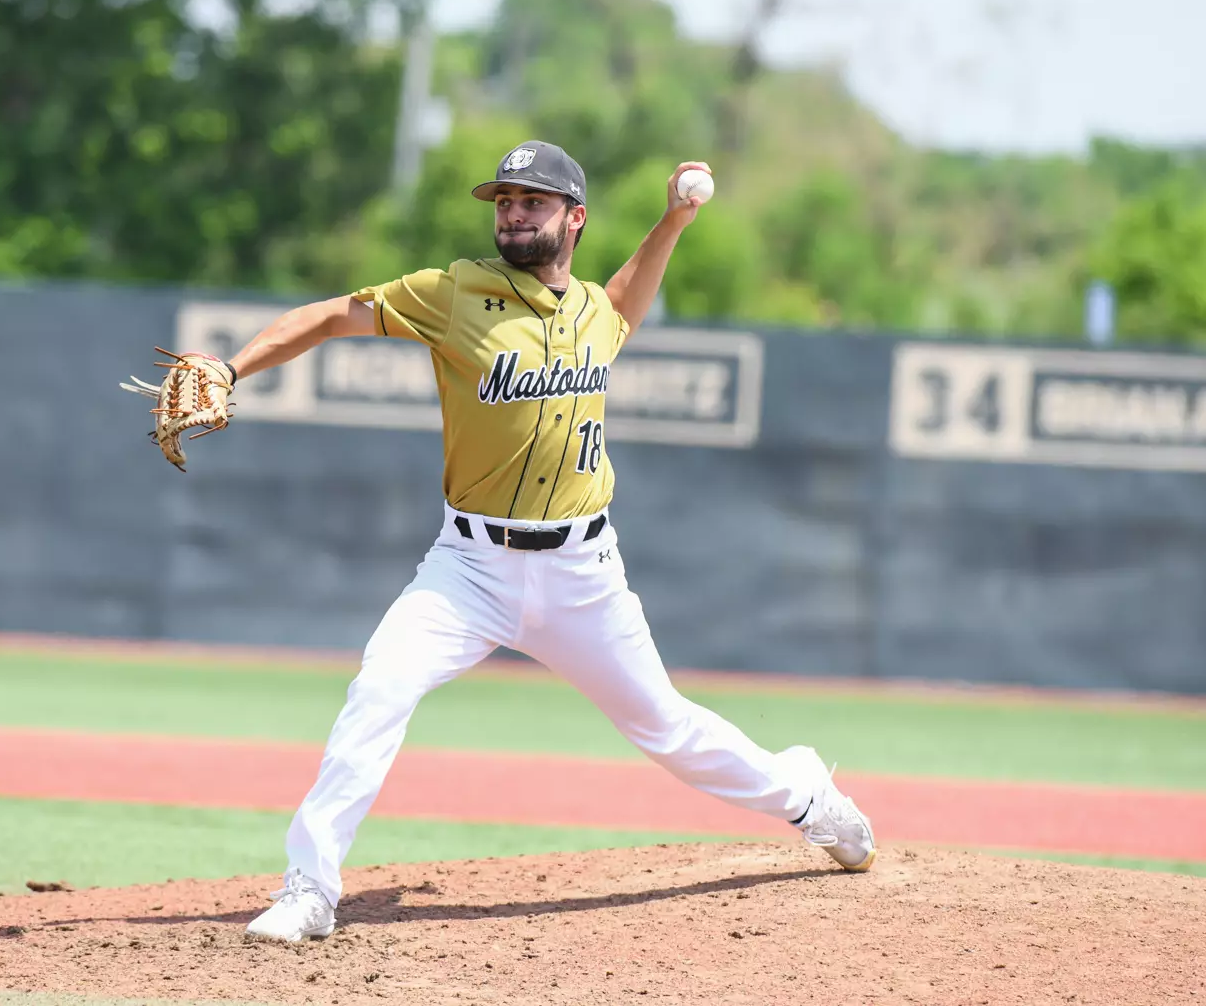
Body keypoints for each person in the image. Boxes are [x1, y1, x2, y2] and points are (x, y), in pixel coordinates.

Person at [226, 141, 877, 943]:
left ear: (574, 217)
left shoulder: (594, 314)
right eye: (503, 201)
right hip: (468, 568)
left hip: (581, 573)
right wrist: (231, 369)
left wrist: (675, 218)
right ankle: (309, 889)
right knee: (380, 688)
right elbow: (329, 315)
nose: (511, 213)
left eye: (531, 201)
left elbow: (627, 298)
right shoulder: (456, 291)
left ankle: (809, 798)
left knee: (668, 729)